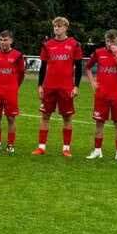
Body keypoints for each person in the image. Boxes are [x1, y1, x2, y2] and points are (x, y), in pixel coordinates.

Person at [32, 17, 84, 157]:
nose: (57, 28)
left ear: (66, 28)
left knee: (67, 118)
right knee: (45, 116)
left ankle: (66, 148)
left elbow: (79, 67)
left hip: (66, 87)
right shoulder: (47, 45)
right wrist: (40, 85)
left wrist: (76, 86)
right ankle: (41, 147)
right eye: (55, 26)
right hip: (49, 86)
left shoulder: (74, 44)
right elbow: (43, 67)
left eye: (60, 26)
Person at [85, 29, 117, 162]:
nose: (109, 44)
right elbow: (88, 67)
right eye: (107, 41)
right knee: (99, 123)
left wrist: (116, 55)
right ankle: (97, 150)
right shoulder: (98, 53)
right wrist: (93, 82)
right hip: (102, 95)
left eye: (112, 41)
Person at [0, 30, 26, 154]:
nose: (3, 42)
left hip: (10, 91)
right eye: (0, 40)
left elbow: (21, 74)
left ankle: (10, 144)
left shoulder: (17, 55)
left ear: (11, 41)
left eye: (5, 40)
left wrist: (14, 86)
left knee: (11, 118)